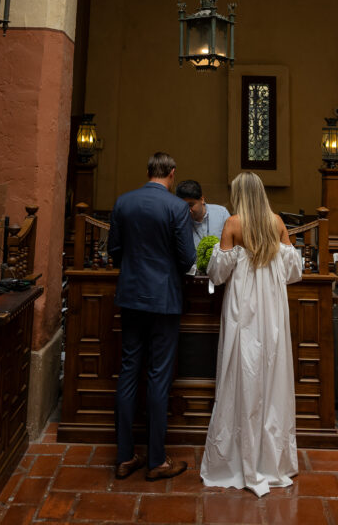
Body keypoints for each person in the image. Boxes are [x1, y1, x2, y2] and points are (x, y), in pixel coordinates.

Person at [200, 171, 302, 497]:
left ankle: (236, 456)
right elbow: (293, 270)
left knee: (241, 374)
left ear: (239, 194)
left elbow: (218, 271)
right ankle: (272, 461)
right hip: (272, 311)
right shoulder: (276, 222)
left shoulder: (232, 224)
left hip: (243, 311)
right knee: (272, 376)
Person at [107, 151, 196, 481]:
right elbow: (187, 259)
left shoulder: (123, 202)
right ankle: (157, 459)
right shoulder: (176, 207)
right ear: (172, 174)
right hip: (163, 299)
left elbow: (113, 250)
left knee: (129, 370)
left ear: (149, 172)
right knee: (159, 375)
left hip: (130, 296)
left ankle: (125, 456)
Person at [175, 178, 230, 249]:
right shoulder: (180, 222)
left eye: (191, 205)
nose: (188, 210)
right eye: (183, 206)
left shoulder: (222, 213)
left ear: (202, 199)